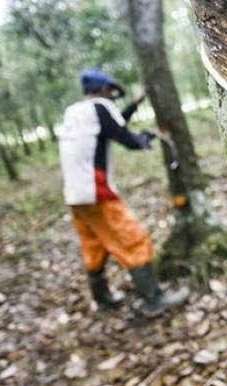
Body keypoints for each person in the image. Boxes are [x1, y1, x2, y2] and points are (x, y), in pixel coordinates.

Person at [59, 68, 187, 316]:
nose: (112, 97)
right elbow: (124, 138)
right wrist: (142, 140)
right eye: (111, 92)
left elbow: (113, 127)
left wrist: (136, 104)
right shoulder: (100, 107)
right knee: (132, 238)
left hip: (74, 194)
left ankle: (103, 299)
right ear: (103, 89)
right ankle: (153, 299)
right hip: (95, 191)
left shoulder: (75, 111)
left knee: (94, 244)